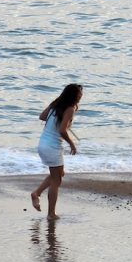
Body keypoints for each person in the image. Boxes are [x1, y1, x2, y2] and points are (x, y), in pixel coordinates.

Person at [31, 83, 83, 219]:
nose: (81, 97)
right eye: (79, 94)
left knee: (59, 174)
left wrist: (58, 119)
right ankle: (51, 214)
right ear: (74, 96)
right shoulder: (70, 109)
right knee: (56, 181)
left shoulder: (56, 104)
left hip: (43, 144)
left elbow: (42, 116)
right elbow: (62, 131)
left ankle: (37, 193)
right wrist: (72, 144)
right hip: (52, 146)